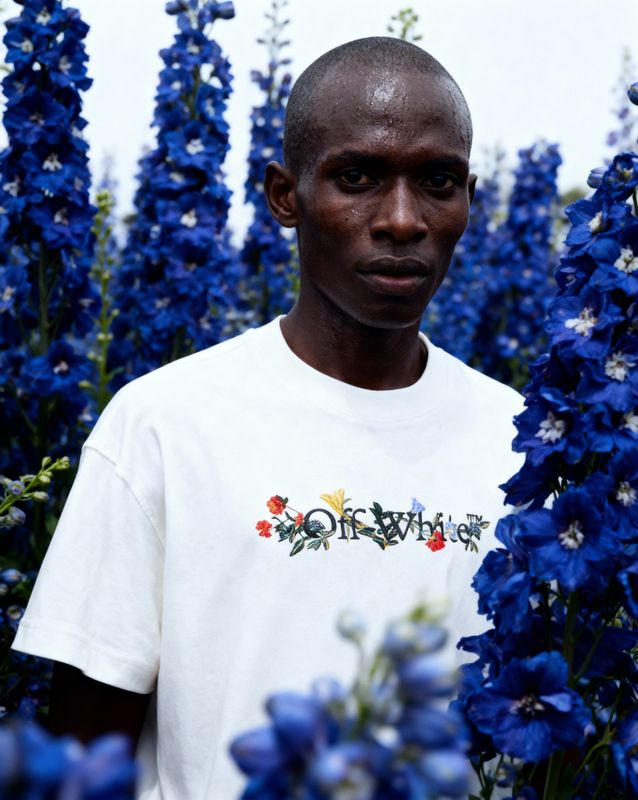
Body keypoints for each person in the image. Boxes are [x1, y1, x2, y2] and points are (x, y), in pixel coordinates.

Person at [12, 36, 524, 798]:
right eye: (357, 177)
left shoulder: (521, 441)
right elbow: (87, 755)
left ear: (469, 201)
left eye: (439, 182)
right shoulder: (163, 422)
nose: (402, 220)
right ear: (285, 195)